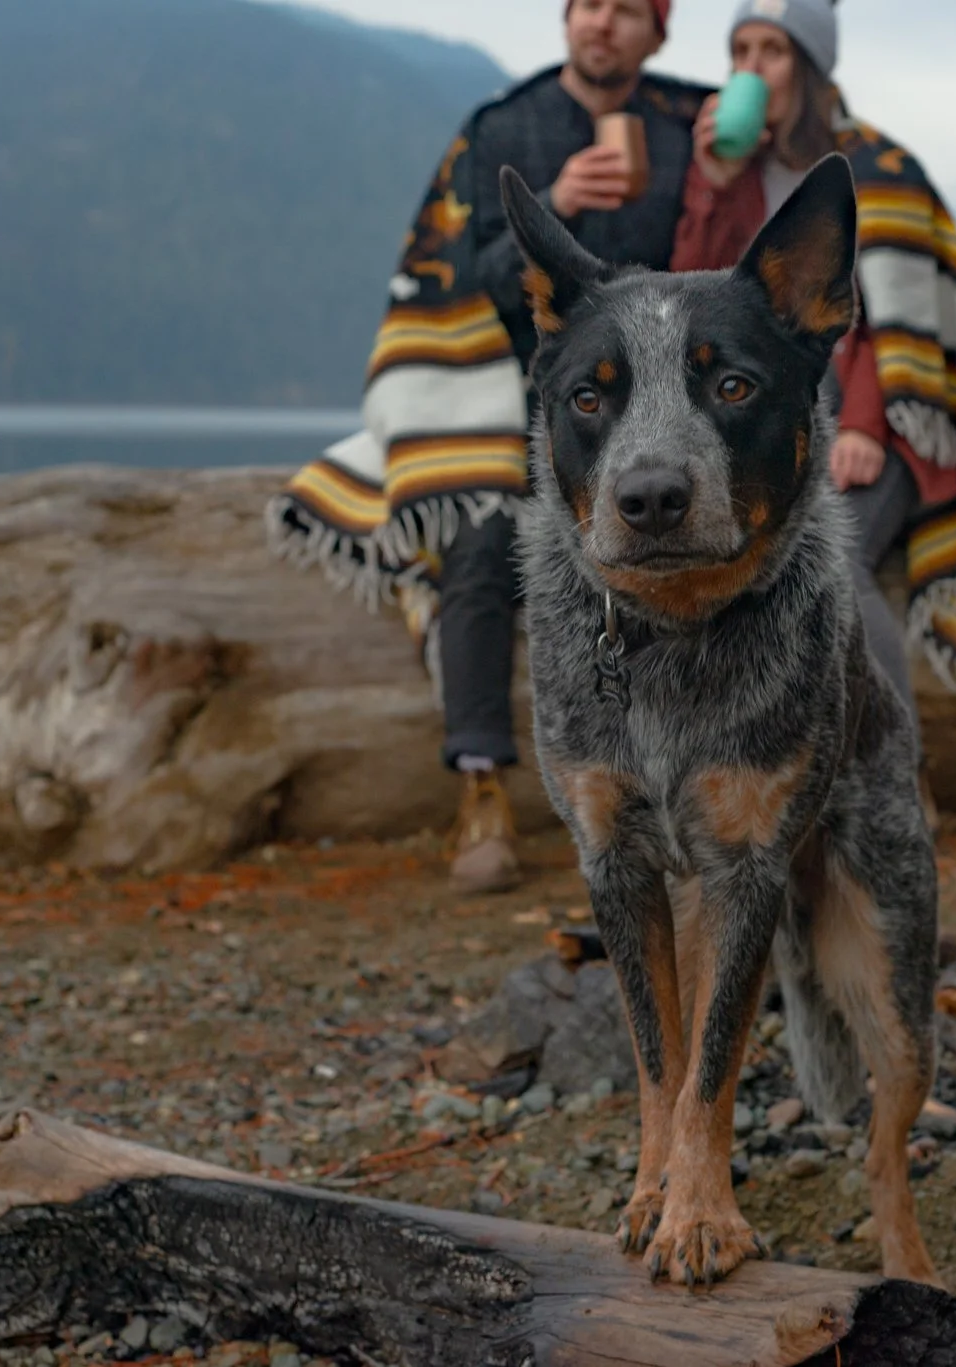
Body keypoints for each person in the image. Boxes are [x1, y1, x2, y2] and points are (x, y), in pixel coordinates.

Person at [270, 0, 707, 895]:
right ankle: (481, 788)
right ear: (566, 19)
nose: (604, 26)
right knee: (479, 549)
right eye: (591, 6)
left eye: (630, 13)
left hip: (670, 403)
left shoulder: (690, 124)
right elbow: (463, 274)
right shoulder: (503, 127)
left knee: (686, 552)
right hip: (534, 400)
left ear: (657, 33)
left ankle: (690, 789)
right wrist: (557, 207)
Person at [670, 0, 956, 805]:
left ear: (810, 70)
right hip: (774, 431)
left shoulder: (874, 167)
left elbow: (898, 325)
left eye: (772, 50)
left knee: (830, 561)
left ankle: (897, 780)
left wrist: (864, 424)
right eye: (739, 49)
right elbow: (690, 303)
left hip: (886, 425)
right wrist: (709, 187)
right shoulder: (733, 177)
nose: (750, 68)